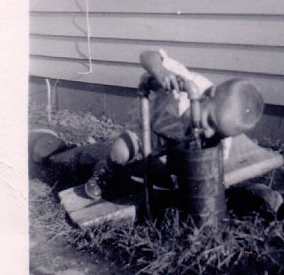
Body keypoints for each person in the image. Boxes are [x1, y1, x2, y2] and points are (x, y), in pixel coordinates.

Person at [84, 49, 264, 201]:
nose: (209, 133)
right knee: (121, 151)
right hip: (149, 128)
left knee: (169, 180)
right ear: (210, 94)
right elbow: (148, 55)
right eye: (210, 122)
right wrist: (160, 72)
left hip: (177, 144)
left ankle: (169, 173)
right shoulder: (187, 83)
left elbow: (214, 165)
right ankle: (105, 172)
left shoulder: (215, 133)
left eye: (219, 134)